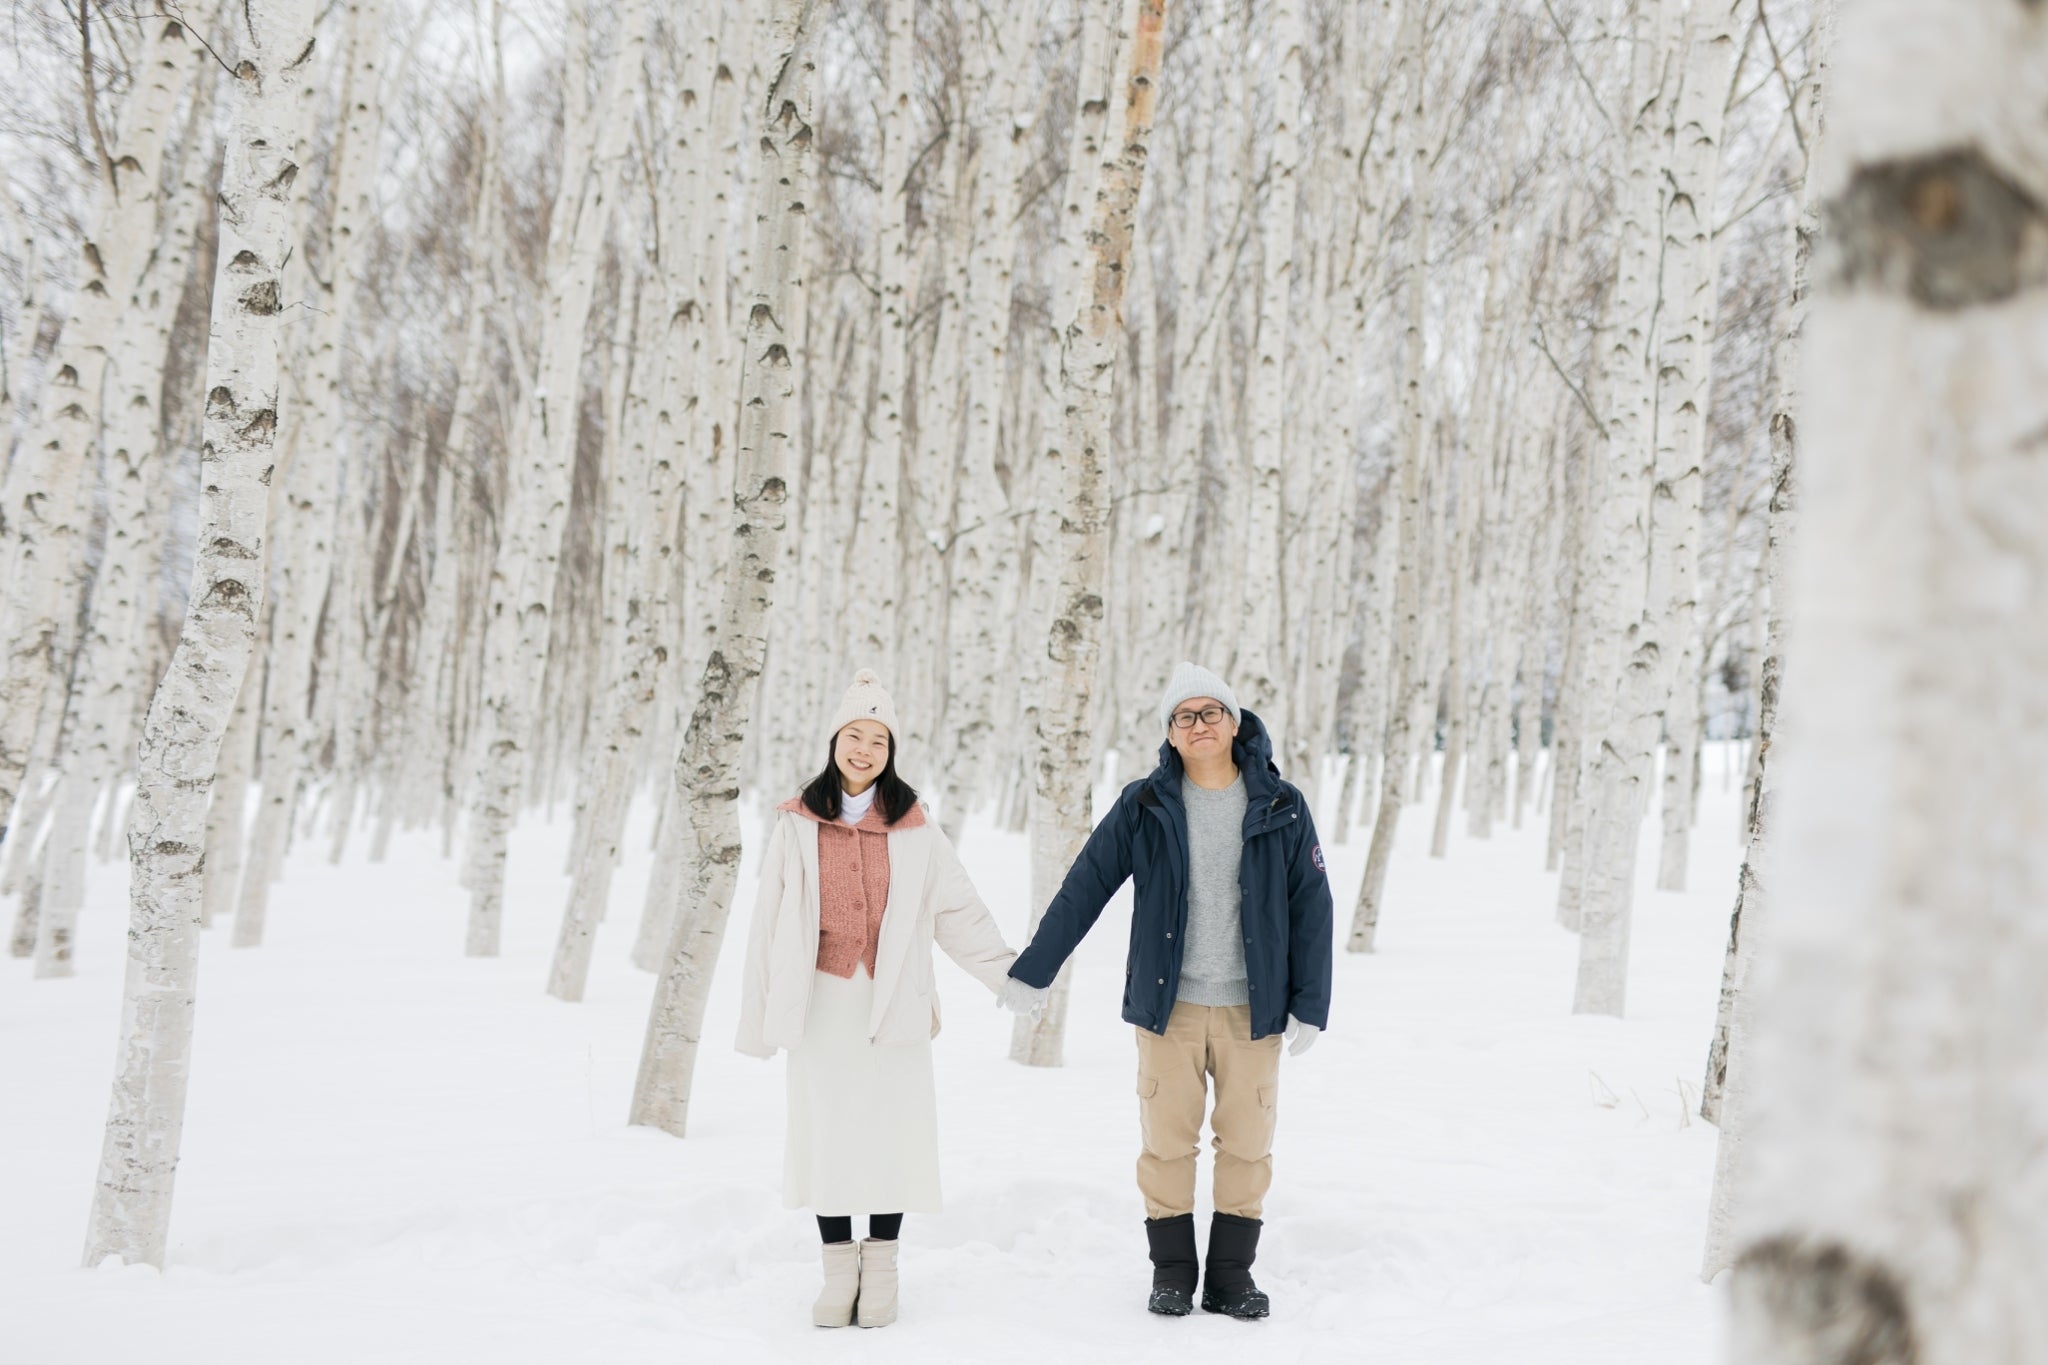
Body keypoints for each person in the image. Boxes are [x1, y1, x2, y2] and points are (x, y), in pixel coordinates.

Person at [1000, 662, 1333, 1319]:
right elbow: (1086, 885)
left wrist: (1310, 1003)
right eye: (1185, 716)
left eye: (1211, 712)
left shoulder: (1282, 804)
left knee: (1247, 1145)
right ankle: (1173, 1273)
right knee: (1167, 1145)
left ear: (1234, 724)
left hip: (1253, 1009)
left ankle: (1231, 1276)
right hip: (1168, 1007)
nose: (1199, 724)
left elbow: (1312, 906)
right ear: (1171, 733)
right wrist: (1035, 968)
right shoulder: (1145, 804)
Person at [735, 669, 1019, 1329]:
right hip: (821, 1003)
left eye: (878, 740)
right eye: (854, 736)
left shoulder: (916, 826)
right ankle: (839, 1270)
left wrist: (1008, 973)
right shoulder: (797, 823)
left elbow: (957, 909)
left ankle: (883, 1266)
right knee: (828, 1133)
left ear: (891, 752)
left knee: (893, 1133)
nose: (864, 750)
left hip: (895, 1002)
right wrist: (758, 1018)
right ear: (835, 740)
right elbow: (767, 922)